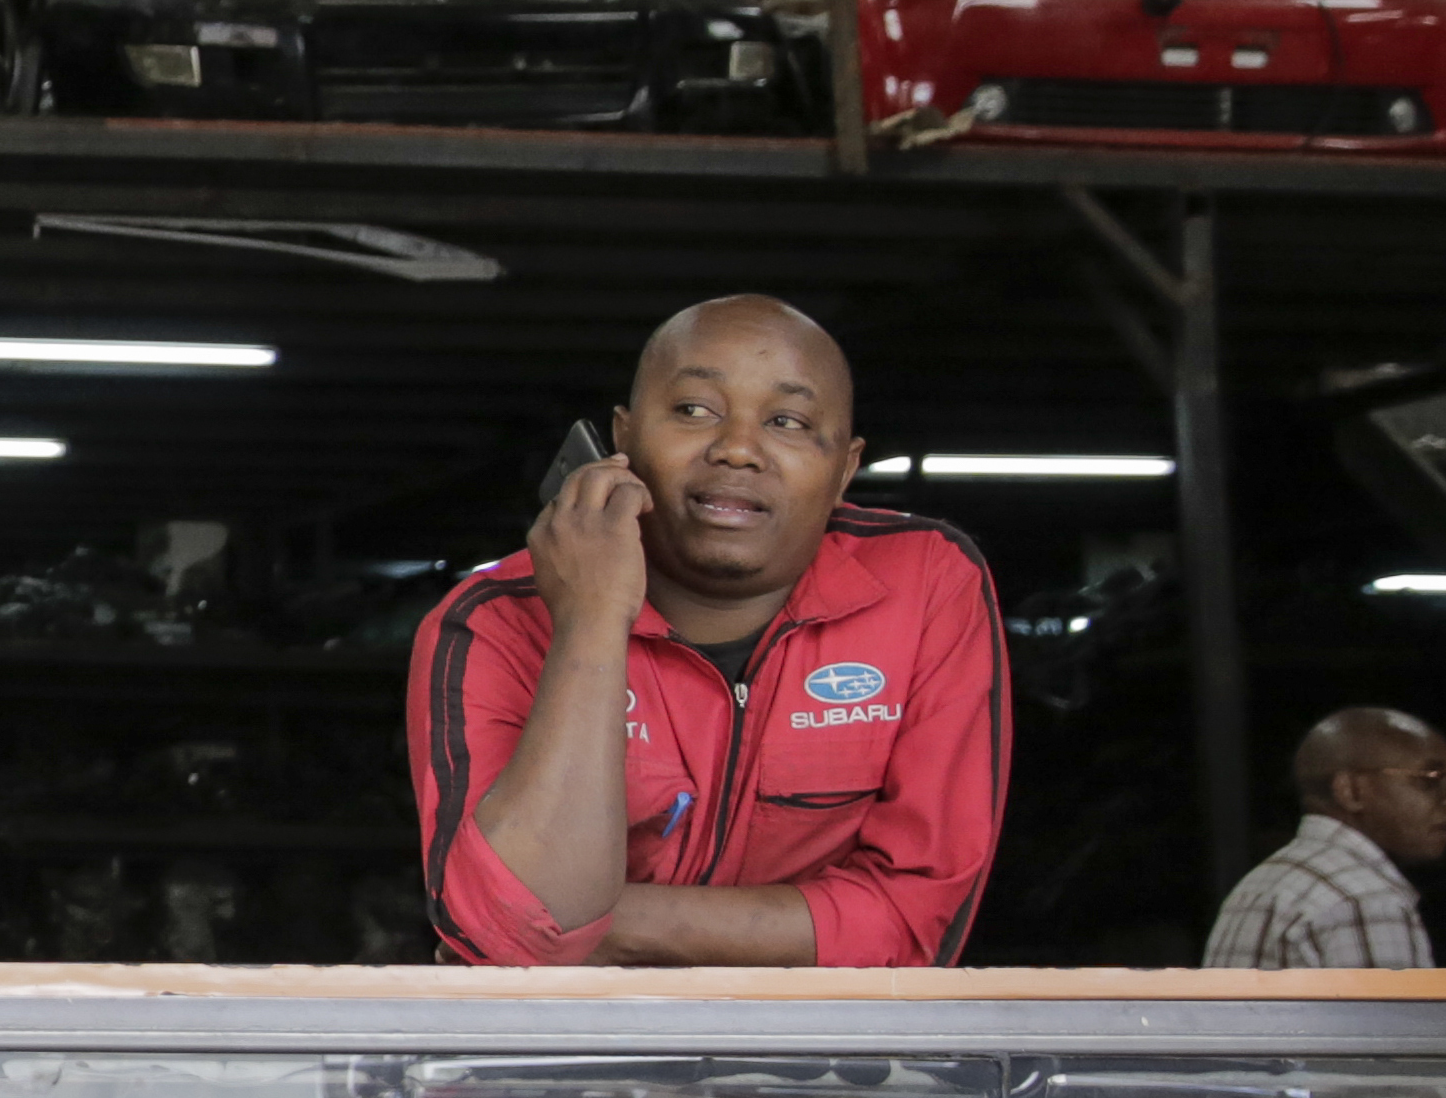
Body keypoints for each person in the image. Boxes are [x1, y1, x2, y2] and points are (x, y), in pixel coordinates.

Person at [407, 294, 1008, 965]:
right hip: (571, 1058)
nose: (737, 449)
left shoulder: (924, 584)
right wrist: (590, 617)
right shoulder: (491, 620)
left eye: (787, 420)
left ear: (844, 468)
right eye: (694, 410)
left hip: (820, 1059)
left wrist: (596, 925)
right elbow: (517, 930)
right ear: (623, 439)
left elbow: (915, 922)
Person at [1204, 707, 1446, 968]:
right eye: (1430, 779)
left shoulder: (1260, 883)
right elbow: (1387, 1012)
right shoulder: (1362, 898)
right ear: (1351, 790)